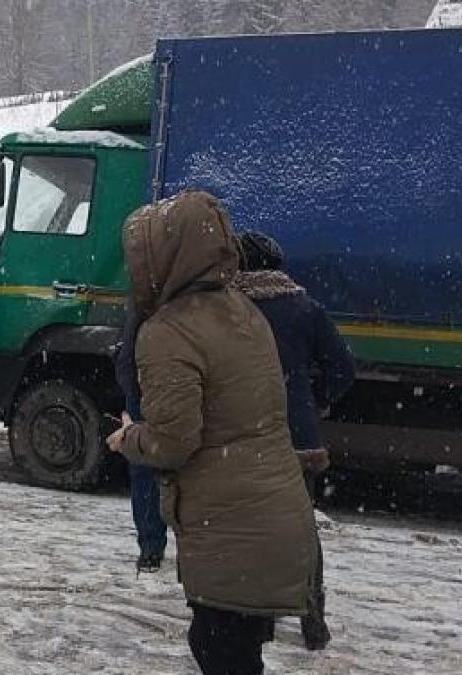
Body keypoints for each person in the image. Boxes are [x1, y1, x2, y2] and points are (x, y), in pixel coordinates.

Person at [106, 190, 315, 674]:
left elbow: (174, 442)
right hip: (274, 516)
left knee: (218, 650)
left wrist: (129, 438)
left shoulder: (169, 330)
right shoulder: (244, 311)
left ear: (164, 258)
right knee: (235, 653)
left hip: (229, 529)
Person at [235, 230, 356, 652]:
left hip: (243, 435)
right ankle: (312, 616)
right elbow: (342, 367)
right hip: (296, 439)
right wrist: (315, 401)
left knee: (251, 529)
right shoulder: (305, 307)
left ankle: (260, 618)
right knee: (300, 529)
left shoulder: (229, 308)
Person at [113, 304, 167, 574]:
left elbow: (126, 357)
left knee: (144, 467)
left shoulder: (146, 303)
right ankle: (160, 545)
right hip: (169, 393)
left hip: (146, 392)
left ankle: (151, 547)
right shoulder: (191, 303)